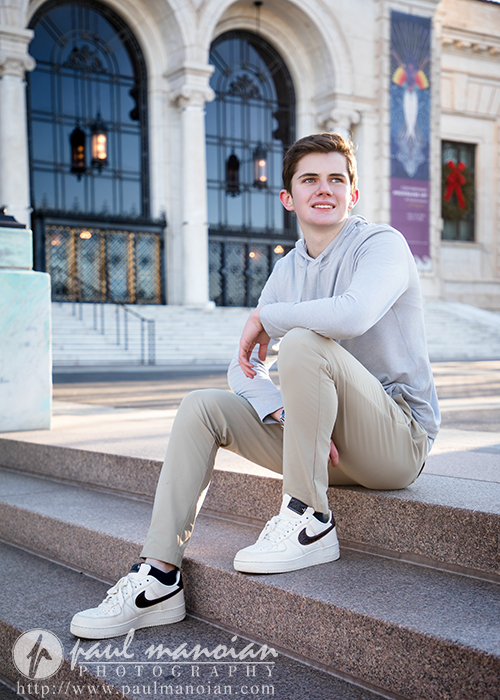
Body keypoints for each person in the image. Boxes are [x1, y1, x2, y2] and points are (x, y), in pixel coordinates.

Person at [71, 132, 440, 640]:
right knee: (203, 406)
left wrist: (269, 316)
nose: (324, 189)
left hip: (397, 441)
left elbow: (352, 314)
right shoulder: (288, 268)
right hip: (328, 449)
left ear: (353, 195)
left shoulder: (382, 244)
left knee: (307, 342)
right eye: (309, 179)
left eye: (337, 178)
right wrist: (288, 417)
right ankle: (158, 576)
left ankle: (308, 519)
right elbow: (241, 367)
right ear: (288, 197)